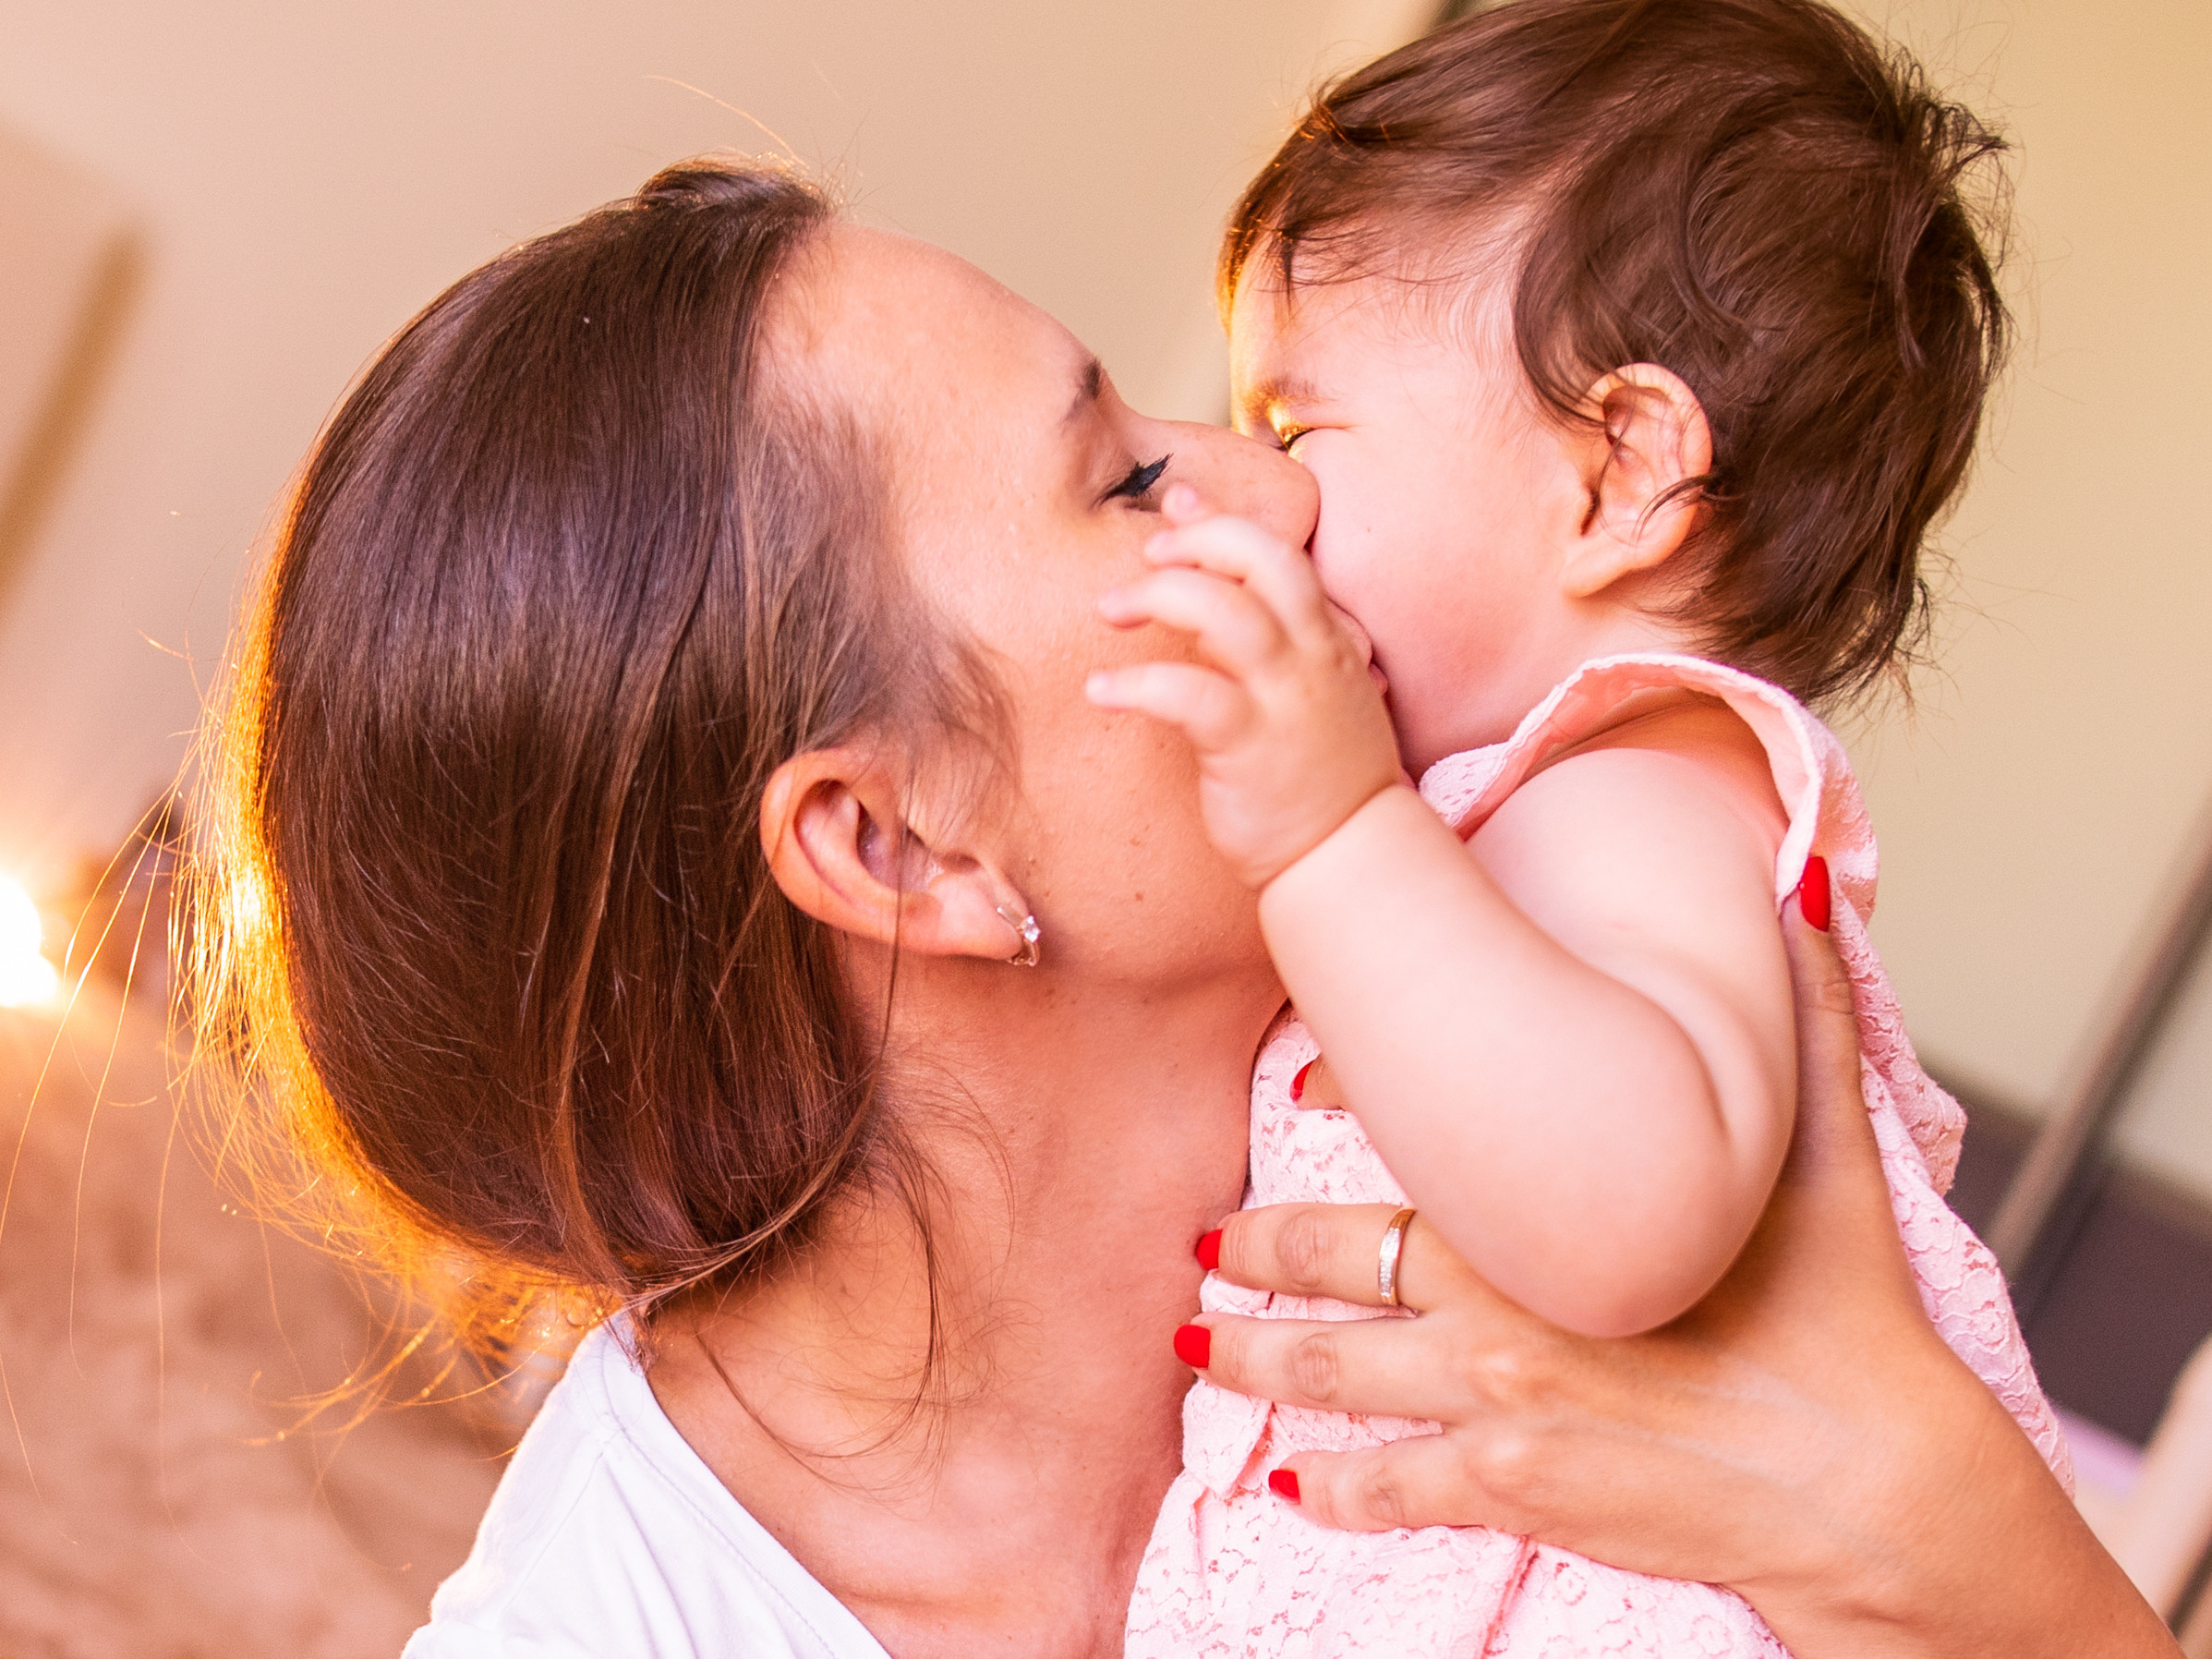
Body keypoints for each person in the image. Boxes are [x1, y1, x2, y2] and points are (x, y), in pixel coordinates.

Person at [188, 158, 2174, 1658]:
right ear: (905, 852)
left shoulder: (1603, 1051)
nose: (1286, 497)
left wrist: (1949, 1529)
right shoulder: (627, 1618)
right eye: (1132, 483)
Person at [1090, 3, 2064, 1652]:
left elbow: (1626, 1226)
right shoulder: (1500, 811)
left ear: (1620, 473)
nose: (1266, 491)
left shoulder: (1647, 786)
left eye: (1297, 429)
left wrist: (1328, 833)